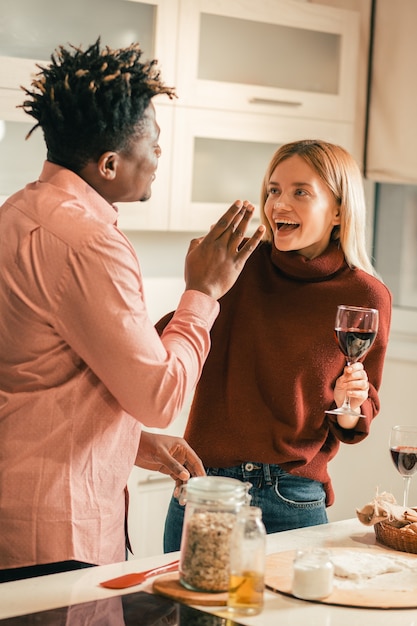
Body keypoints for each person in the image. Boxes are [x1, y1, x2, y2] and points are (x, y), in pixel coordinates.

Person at [0, 39, 265, 580]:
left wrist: (126, 442)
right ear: (111, 163)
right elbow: (161, 396)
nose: (159, 156)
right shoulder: (90, 242)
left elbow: (34, 377)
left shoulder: (15, 214)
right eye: (154, 142)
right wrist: (204, 291)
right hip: (59, 529)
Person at [160, 139, 392, 552]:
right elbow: (165, 346)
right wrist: (199, 286)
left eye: (300, 191)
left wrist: (351, 404)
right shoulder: (237, 266)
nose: (278, 204)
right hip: (208, 486)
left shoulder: (366, 295)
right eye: (273, 190)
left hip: (293, 497)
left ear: (338, 209)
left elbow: (360, 412)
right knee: (188, 616)